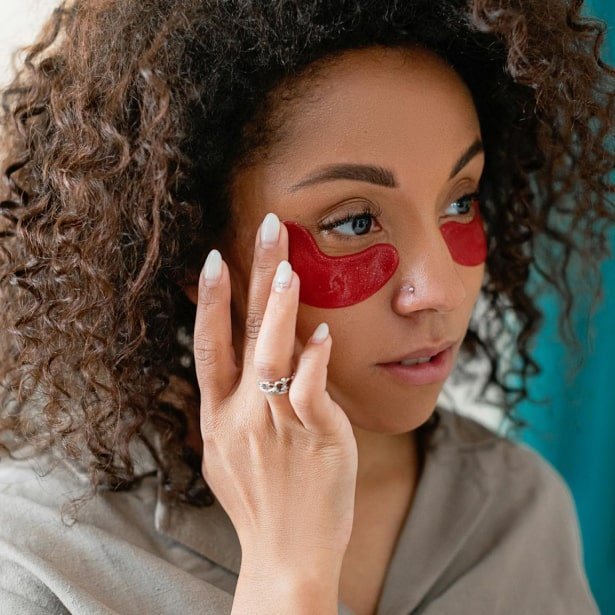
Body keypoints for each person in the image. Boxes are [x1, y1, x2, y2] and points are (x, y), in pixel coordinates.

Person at [0, 1, 612, 613]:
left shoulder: (520, 512)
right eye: (355, 221)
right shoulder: (36, 555)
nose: (442, 290)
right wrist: (286, 572)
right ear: (190, 246)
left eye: (460, 202)